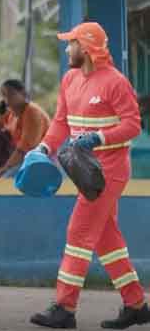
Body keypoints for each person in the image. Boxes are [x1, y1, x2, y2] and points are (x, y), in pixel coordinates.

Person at [28, 22, 148, 329]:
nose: (67, 49)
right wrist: (44, 147)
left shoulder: (115, 82)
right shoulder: (69, 79)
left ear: (87, 46)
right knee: (106, 239)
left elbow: (133, 125)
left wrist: (98, 138)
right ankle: (136, 305)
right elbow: (60, 123)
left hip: (109, 170)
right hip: (85, 169)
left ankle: (65, 309)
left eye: (71, 44)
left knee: (79, 232)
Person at [0, 79, 50, 178]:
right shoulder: (10, 113)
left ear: (23, 94)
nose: (7, 98)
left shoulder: (32, 113)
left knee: (6, 178)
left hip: (36, 159)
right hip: (14, 158)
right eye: (3, 95)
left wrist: (6, 167)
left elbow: (24, 150)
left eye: (11, 94)